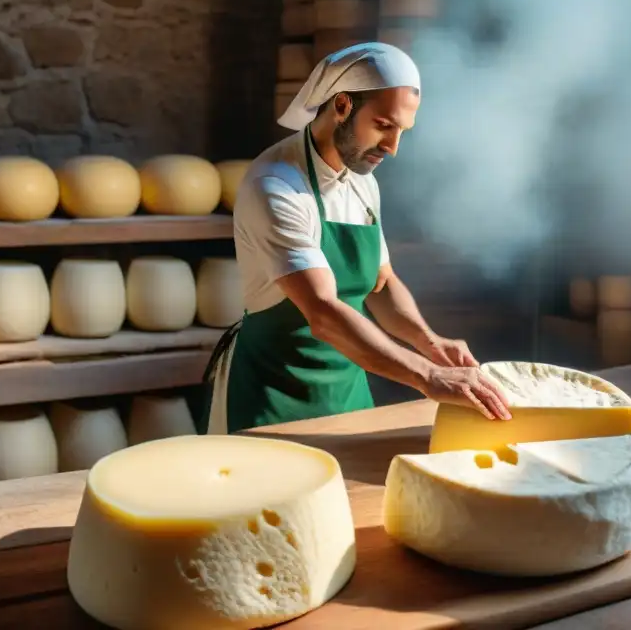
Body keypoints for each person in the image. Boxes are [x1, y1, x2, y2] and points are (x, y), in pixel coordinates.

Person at [197, 42, 512, 434]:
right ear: (342, 105)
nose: (393, 147)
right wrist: (427, 375)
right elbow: (324, 313)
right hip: (275, 392)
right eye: (384, 125)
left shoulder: (362, 183)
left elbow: (381, 284)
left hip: (348, 389)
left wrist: (430, 343)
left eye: (402, 131)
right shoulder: (276, 186)